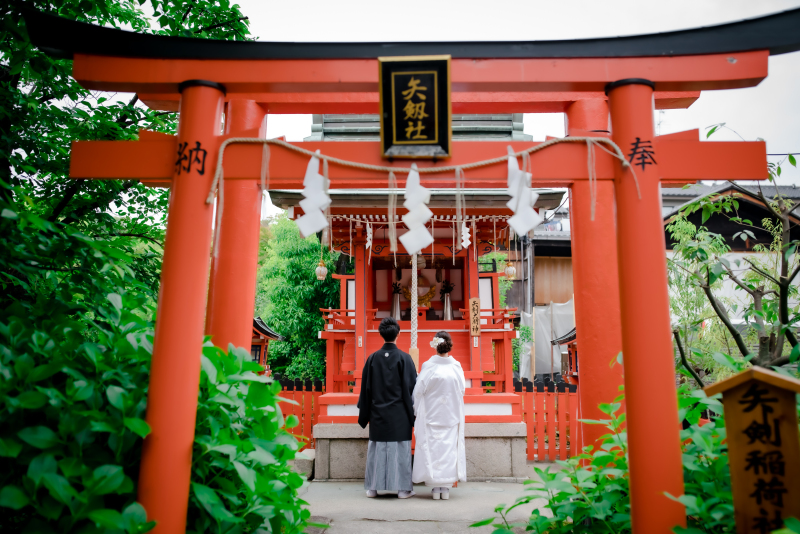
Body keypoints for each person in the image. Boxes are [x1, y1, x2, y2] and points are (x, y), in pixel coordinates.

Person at [357, 317, 418, 499]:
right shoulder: (405, 358)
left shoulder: (372, 358)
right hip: (399, 414)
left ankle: (372, 489)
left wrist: (365, 412)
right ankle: (403, 489)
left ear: (381, 334)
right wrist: (413, 414)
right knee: (400, 451)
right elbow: (412, 388)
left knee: (377, 450)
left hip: (377, 413)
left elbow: (366, 389)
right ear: (398, 334)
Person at [411, 331, 466, 500]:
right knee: (448, 449)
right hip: (450, 416)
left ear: (435, 346)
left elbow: (418, 392)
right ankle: (446, 489)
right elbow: (461, 390)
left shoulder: (429, 367)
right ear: (449, 345)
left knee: (433, 449)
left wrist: (417, 410)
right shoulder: (456, 367)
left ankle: (435, 489)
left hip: (431, 416)